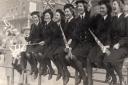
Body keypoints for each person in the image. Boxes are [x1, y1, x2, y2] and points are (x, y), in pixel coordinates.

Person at [103, 0, 128, 85]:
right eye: (112, 4)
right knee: (105, 61)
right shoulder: (112, 19)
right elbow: (109, 34)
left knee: (112, 60)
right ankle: (114, 78)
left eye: (114, 4)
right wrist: (108, 44)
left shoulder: (126, 18)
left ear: (120, 6)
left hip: (123, 46)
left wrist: (119, 43)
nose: (113, 6)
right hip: (113, 46)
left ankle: (121, 78)